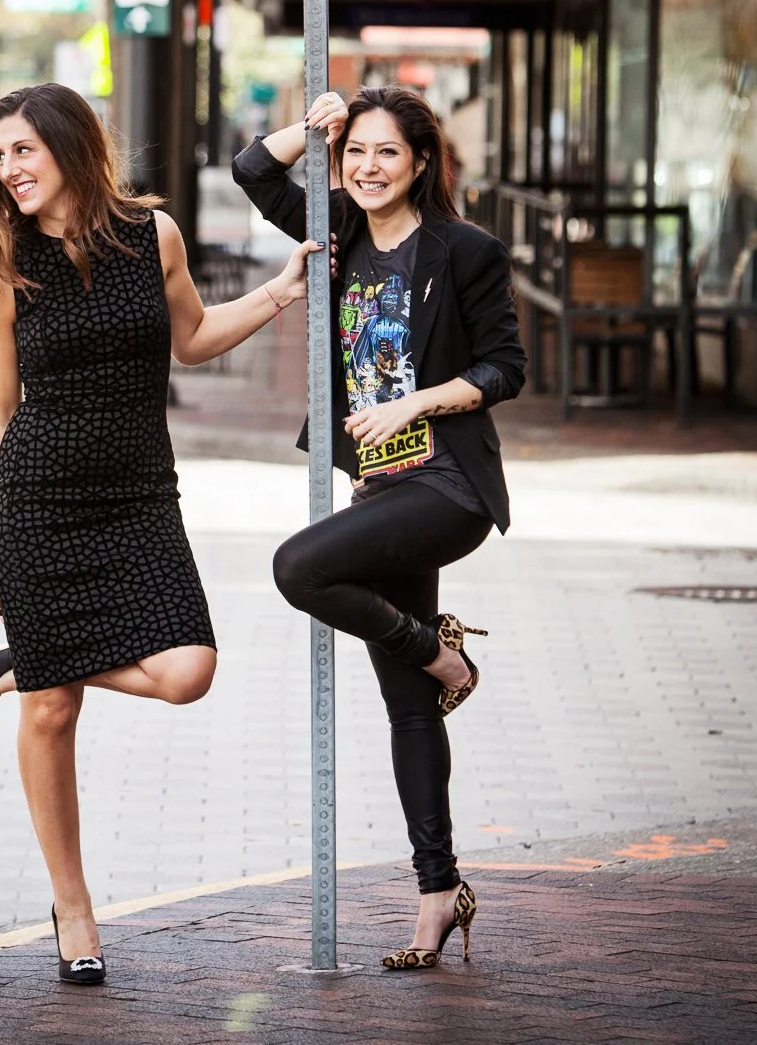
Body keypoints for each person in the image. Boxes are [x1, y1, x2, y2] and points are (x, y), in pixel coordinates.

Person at [0, 83, 320, 987]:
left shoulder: (150, 237)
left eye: (23, 151)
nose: (9, 171)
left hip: (137, 499)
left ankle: (23, 659)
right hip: (38, 504)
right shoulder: (6, 269)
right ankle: (73, 909)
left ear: (69, 147)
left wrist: (280, 293)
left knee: (187, 670)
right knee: (53, 709)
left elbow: (193, 338)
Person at [232, 85, 526, 971]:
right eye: (353, 151)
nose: (365, 168)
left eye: (385, 153)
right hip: (378, 492)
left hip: (445, 484)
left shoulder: (464, 250)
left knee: (297, 569)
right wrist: (314, 121)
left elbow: (504, 366)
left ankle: (441, 653)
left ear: (421, 162)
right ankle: (439, 891)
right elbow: (252, 167)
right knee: (407, 711)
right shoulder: (337, 236)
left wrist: (412, 404)